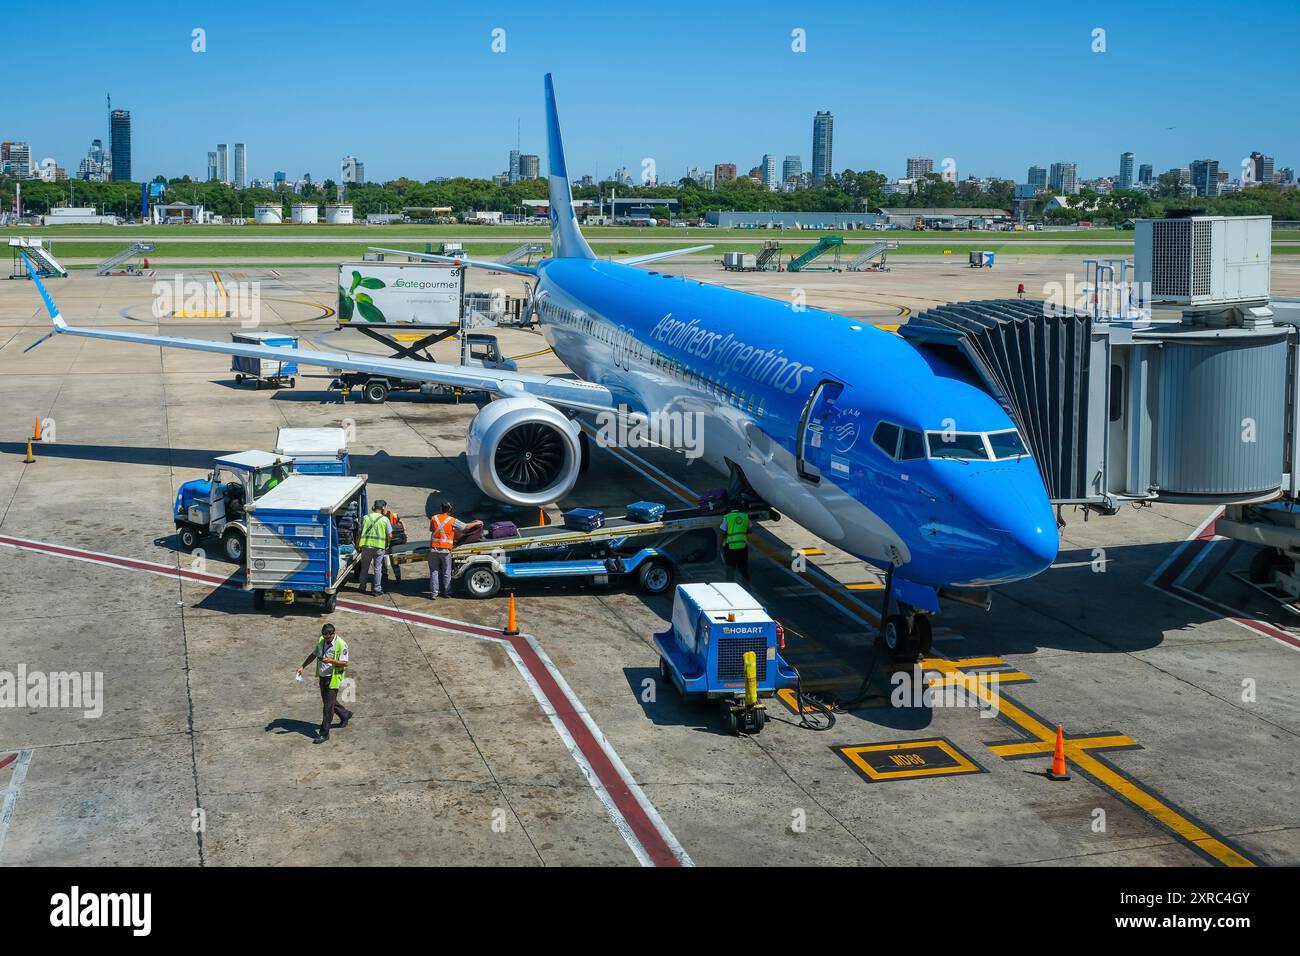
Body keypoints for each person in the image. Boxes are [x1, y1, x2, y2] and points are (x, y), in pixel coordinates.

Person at [296, 623, 352, 745]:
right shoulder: (322, 641)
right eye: (324, 637)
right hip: (323, 677)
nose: (326, 639)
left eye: (328, 637)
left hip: (333, 678)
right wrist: (302, 666)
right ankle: (345, 714)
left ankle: (324, 733)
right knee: (329, 702)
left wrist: (331, 661)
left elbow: (345, 663)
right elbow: (314, 655)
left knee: (327, 707)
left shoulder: (341, 644)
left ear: (333, 633)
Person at [427, 501, 482, 599]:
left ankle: (434, 594)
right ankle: (447, 593)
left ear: (441, 508)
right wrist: (477, 522)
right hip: (445, 551)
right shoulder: (452, 520)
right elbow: (465, 527)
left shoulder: (434, 518)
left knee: (434, 572)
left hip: (433, 550)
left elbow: (432, 529)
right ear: (450, 510)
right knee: (446, 572)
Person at [356, 501, 392, 596]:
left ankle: (362, 587)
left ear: (373, 507)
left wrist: (358, 545)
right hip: (379, 547)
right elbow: (390, 535)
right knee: (377, 568)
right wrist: (387, 543)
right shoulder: (385, 520)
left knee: (364, 568)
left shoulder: (365, 518)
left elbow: (359, 533)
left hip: (366, 546)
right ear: (383, 508)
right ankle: (376, 589)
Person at [720, 506, 751, 582]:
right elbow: (750, 530)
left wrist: (721, 544)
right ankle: (747, 587)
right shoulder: (745, 516)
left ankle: (730, 586)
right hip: (742, 545)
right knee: (743, 568)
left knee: (730, 568)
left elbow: (724, 531)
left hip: (731, 546)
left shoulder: (727, 517)